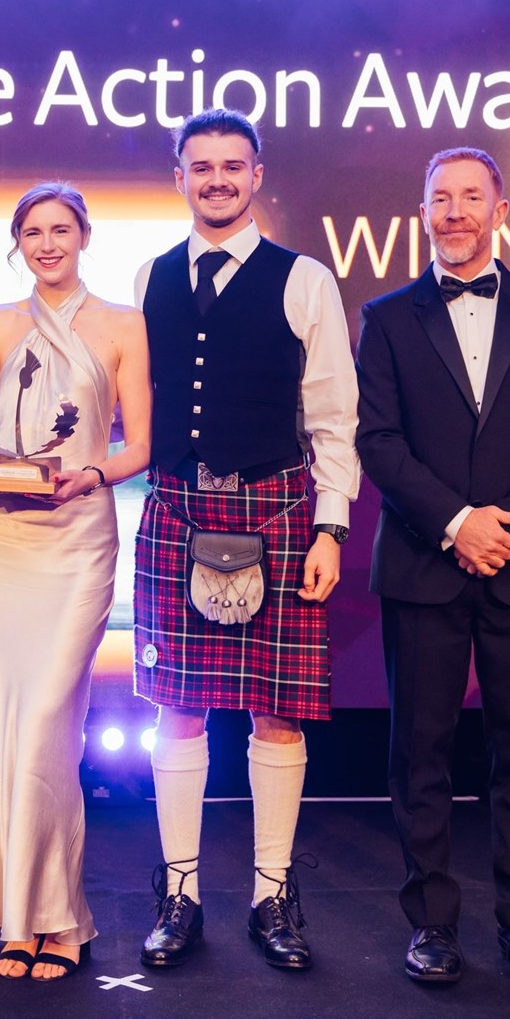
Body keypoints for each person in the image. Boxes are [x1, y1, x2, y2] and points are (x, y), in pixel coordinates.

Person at [355, 147, 510, 992]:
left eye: (469, 197)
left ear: (500, 211)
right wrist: (457, 522)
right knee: (419, 752)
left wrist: (506, 528)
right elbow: (377, 440)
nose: (453, 212)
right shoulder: (384, 317)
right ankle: (432, 927)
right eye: (438, 198)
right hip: (424, 562)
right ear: (422, 212)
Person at [133, 109, 359, 972]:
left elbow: (334, 420)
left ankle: (272, 896)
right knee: (175, 708)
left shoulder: (303, 279)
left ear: (257, 174)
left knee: (280, 712)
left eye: (233, 165)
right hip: (177, 510)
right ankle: (179, 894)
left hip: (278, 513)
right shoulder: (150, 276)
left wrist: (330, 527)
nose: (217, 178)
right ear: (179, 177)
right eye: (201, 166)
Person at [0, 183, 152, 981]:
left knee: (46, 727)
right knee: (1, 722)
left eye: (59, 229)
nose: (45, 243)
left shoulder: (123, 325)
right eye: (30, 231)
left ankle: (60, 918)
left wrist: (91, 474)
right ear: (16, 242)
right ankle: (17, 917)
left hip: (77, 544)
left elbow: (141, 445)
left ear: (84, 236)